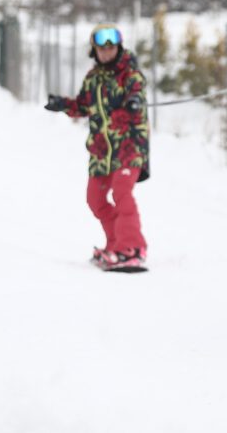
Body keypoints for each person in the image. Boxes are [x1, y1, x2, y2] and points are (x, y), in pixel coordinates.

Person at [45, 23, 151, 272]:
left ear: (118, 47)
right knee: (95, 199)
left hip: (128, 147)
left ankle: (133, 247)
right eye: (101, 48)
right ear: (94, 50)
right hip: (102, 151)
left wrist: (134, 101)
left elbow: (137, 91)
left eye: (111, 46)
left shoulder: (130, 75)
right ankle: (115, 245)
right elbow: (84, 106)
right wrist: (63, 104)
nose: (106, 51)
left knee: (122, 193)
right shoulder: (93, 79)